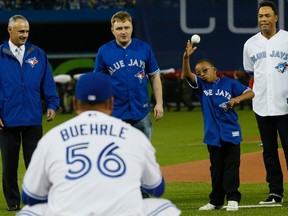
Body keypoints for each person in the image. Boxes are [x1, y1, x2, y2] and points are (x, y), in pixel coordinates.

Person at [16, 72, 181, 216]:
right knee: (164, 206)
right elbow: (157, 188)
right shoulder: (134, 137)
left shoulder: (51, 138)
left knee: (29, 211)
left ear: (74, 103)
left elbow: (29, 196)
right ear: (111, 103)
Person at [182, 40, 254, 211]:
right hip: (213, 134)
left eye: (204, 70)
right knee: (216, 169)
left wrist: (236, 99)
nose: (201, 74)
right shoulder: (201, 87)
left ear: (214, 70)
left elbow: (250, 93)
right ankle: (216, 201)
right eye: (199, 73)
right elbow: (187, 75)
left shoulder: (229, 83)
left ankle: (233, 198)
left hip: (231, 132)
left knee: (231, 166)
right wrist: (186, 59)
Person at [0, 15, 60, 211]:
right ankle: (13, 202)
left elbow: (47, 82)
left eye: (27, 31)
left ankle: (36, 200)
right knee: (9, 166)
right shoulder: (0, 54)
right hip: (7, 120)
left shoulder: (38, 54)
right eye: (21, 31)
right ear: (10, 30)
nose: (25, 35)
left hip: (33, 118)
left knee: (35, 165)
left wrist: (52, 103)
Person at [243, 0, 288, 205]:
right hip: (262, 106)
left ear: (276, 17)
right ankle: (275, 192)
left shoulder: (287, 39)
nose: (263, 19)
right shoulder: (250, 44)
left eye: (267, 15)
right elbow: (251, 73)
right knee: (269, 152)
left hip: (285, 105)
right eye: (261, 16)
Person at [93, 11, 164, 141]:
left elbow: (154, 76)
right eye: (119, 28)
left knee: (142, 155)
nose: (123, 31)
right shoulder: (104, 51)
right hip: (115, 113)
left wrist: (159, 103)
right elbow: (97, 82)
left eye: (126, 27)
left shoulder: (144, 48)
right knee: (117, 156)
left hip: (141, 112)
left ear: (132, 28)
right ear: (112, 30)